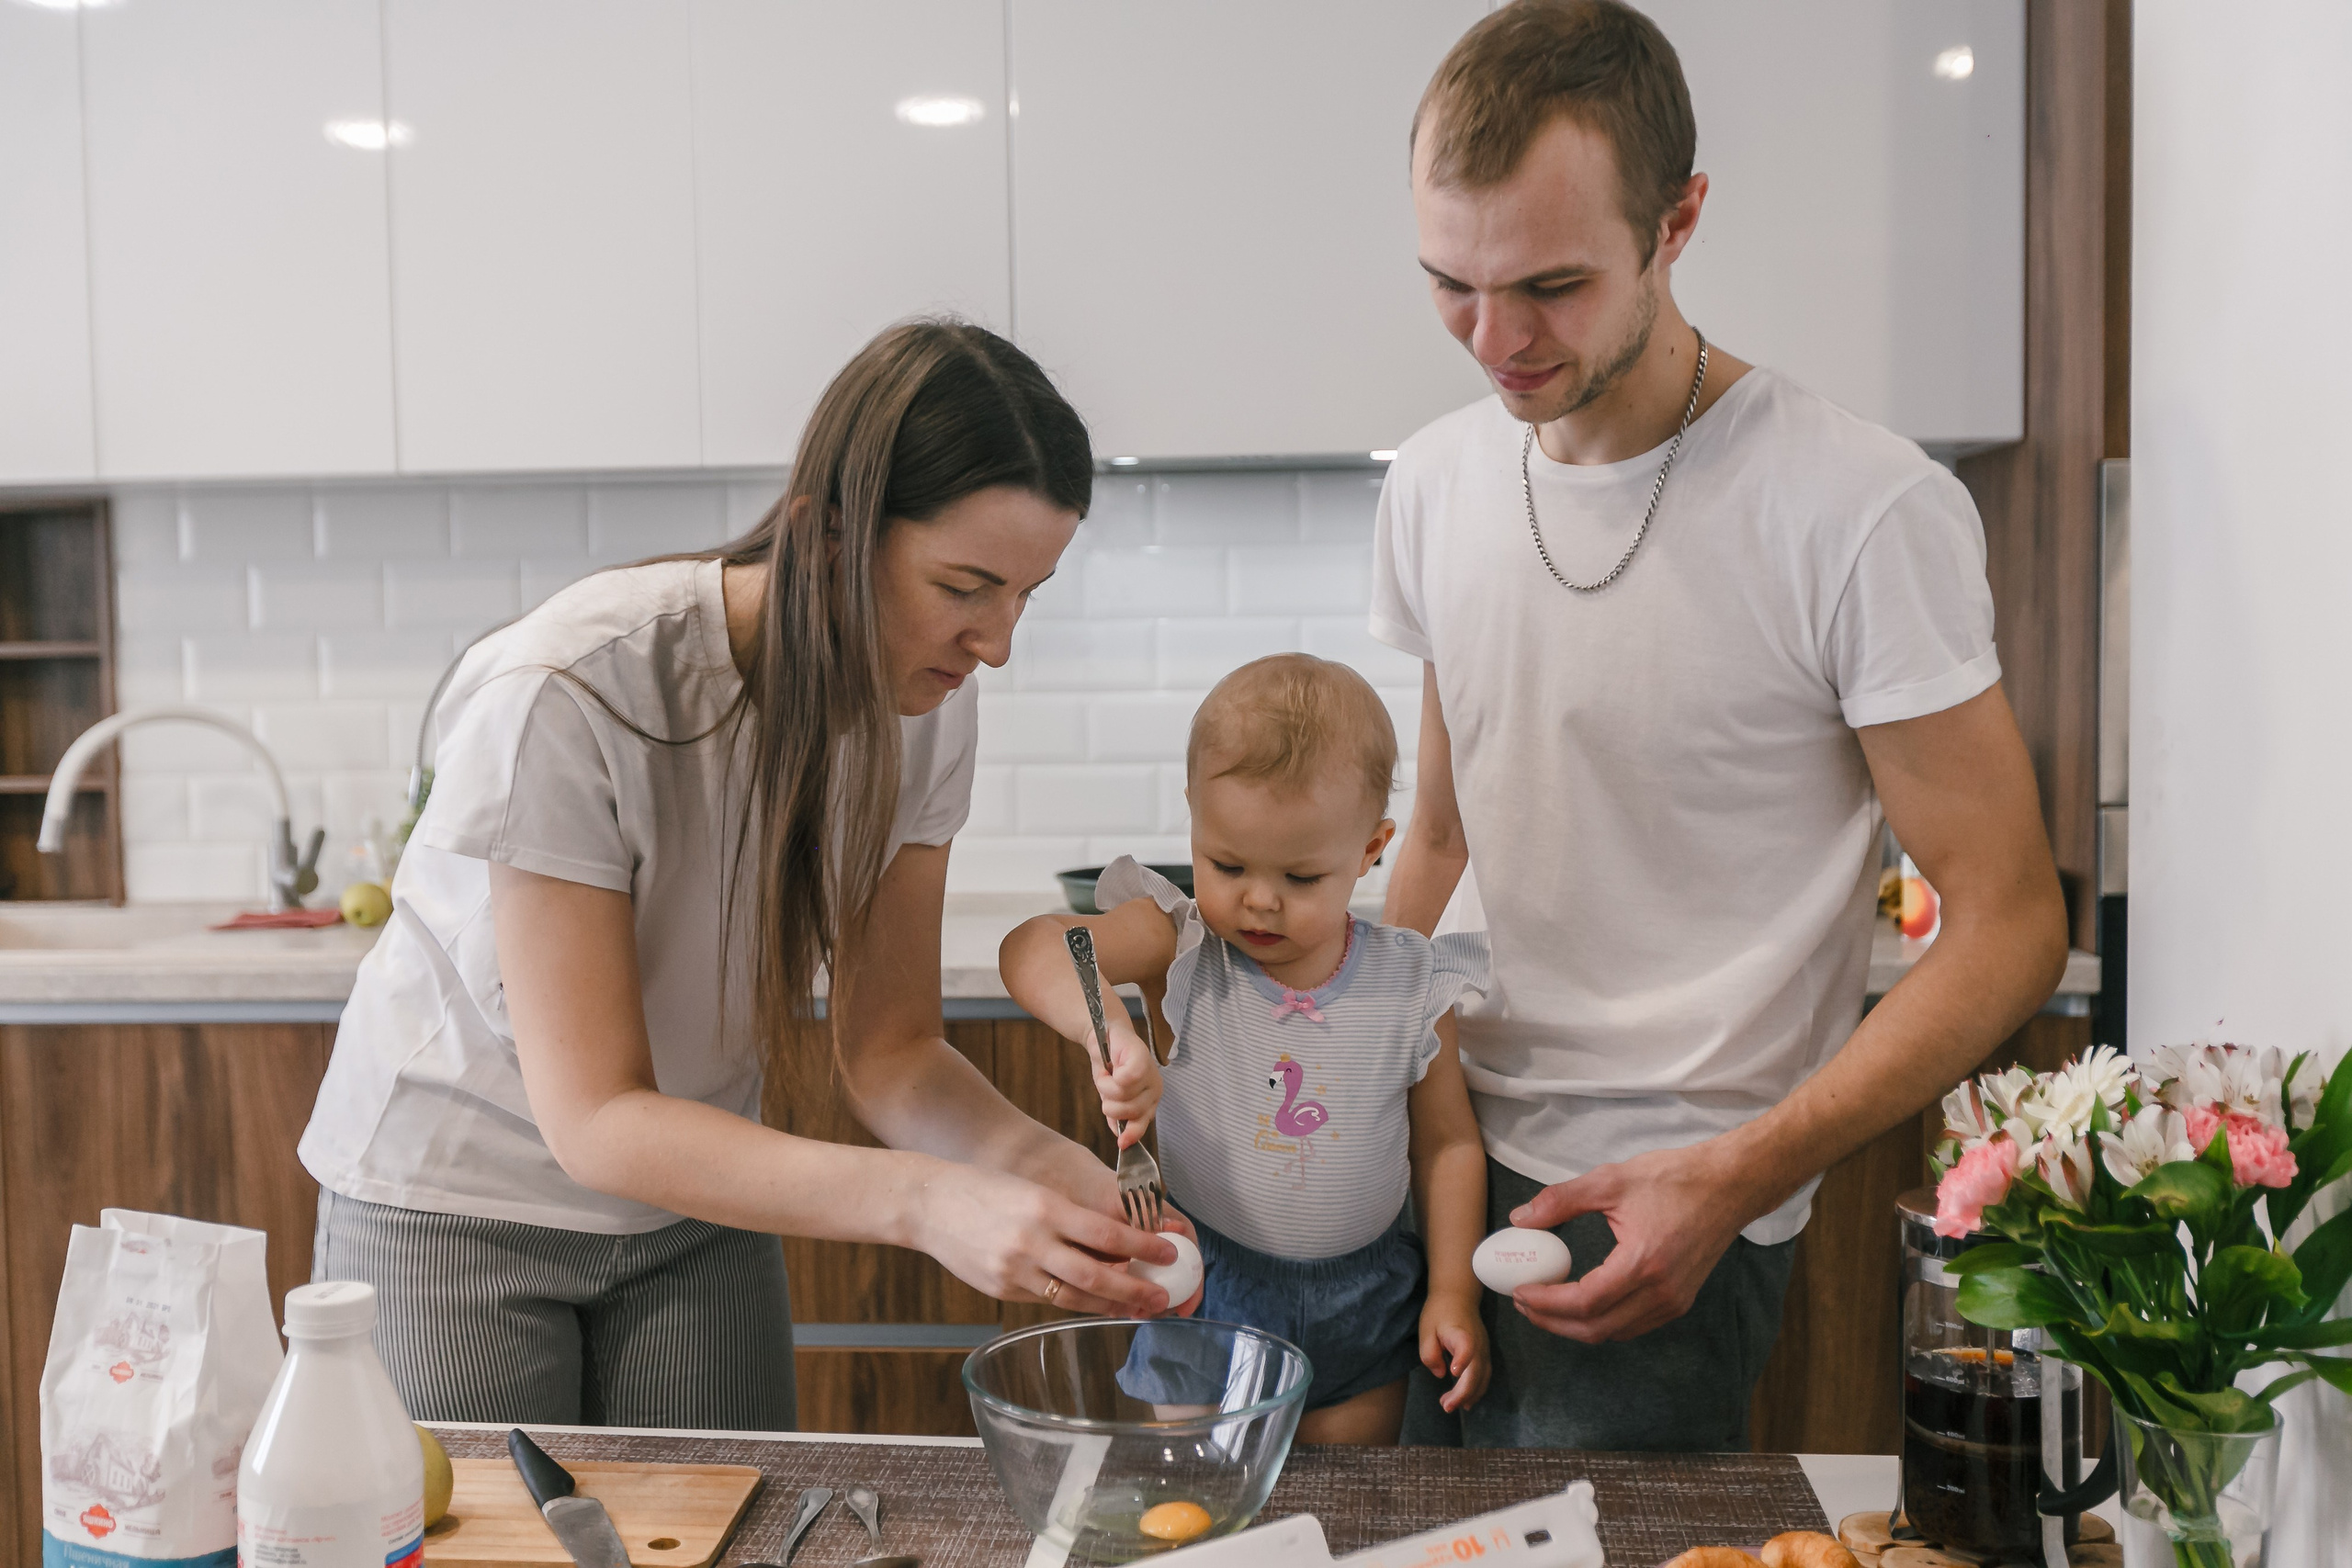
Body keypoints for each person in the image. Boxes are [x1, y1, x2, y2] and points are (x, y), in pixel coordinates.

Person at [1374, 0, 2070, 1449]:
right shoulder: (1432, 481)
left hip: (1662, 1202)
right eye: (1451, 283)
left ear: (1678, 222)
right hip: (1420, 1160)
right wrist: (1336, 1066)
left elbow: (2011, 921)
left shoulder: (1858, 506)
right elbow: (1439, 830)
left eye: (1551, 285)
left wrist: (1744, 1173)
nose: (1495, 340)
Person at [298, 320, 1192, 1427]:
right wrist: (926, 1204)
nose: (996, 643)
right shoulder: (576, 689)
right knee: (480, 1524)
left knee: (737, 1514)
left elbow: (892, 1052)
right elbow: (598, 1118)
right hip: (453, 1200)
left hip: (696, 1208)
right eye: (965, 587)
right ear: (827, 535)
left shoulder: (925, 711)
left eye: (1025, 594)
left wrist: (1054, 1181)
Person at [999, 654, 1494, 1443]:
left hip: (1362, 1304)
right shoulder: (1181, 945)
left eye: (1301, 876)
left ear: (1370, 848)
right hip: (1208, 1292)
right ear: (1194, 817)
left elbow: (1448, 1146)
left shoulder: (1412, 981)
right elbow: (1034, 946)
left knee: (1342, 1499)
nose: (1259, 900)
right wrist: (1108, 1029)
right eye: (1227, 863)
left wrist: (1454, 1291)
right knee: (1202, 1493)